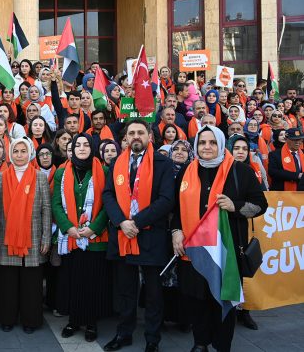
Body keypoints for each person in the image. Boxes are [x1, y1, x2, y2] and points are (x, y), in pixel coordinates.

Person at [171, 126, 267, 352]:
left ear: (222, 145)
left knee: (222, 301)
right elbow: (175, 208)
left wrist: (236, 206)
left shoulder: (239, 171)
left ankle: (223, 346)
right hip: (194, 252)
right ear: (196, 145)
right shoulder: (186, 169)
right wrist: (176, 231)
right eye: (202, 142)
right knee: (197, 300)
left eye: (213, 142)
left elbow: (261, 205)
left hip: (227, 252)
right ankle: (200, 342)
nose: (207, 147)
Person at [101, 120, 175, 352]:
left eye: (140, 132)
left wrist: (137, 222)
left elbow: (166, 200)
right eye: (131, 133)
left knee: (153, 293)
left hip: (151, 236)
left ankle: (152, 339)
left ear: (149, 136)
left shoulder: (163, 163)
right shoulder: (117, 163)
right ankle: (124, 334)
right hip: (124, 235)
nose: (136, 136)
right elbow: (108, 194)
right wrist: (122, 222)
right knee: (126, 291)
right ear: (126, 137)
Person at [0, 138, 50, 333]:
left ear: (30, 153)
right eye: (16, 151)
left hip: (32, 237)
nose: (20, 155)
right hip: (5, 237)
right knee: (7, 282)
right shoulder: (0, 178)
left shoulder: (40, 177)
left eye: (24, 151)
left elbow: (46, 209)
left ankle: (30, 320)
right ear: (10, 154)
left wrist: (46, 237)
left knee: (31, 283)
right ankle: (7, 318)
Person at [53, 133, 111, 342]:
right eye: (78, 145)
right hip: (71, 237)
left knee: (92, 281)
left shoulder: (103, 171)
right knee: (73, 280)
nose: (82, 148)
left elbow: (107, 204)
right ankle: (74, 320)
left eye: (86, 144)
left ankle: (91, 323)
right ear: (73, 148)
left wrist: (93, 228)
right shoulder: (62, 172)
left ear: (92, 147)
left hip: (94, 238)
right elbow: (56, 204)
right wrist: (68, 228)